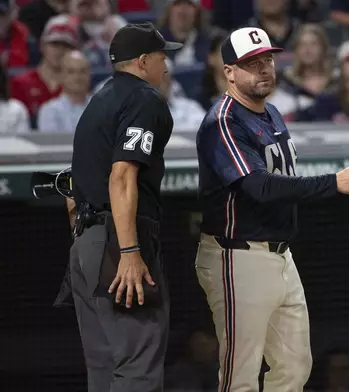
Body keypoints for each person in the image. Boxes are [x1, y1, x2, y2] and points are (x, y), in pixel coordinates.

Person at [194, 26, 349, 392]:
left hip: (280, 255)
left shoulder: (272, 112)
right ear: (228, 71)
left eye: (268, 60)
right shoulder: (223, 120)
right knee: (240, 375)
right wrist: (333, 183)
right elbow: (258, 187)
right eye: (251, 63)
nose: (264, 69)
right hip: (237, 256)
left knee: (295, 367)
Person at [66, 22, 182, 392]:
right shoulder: (143, 99)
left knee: (105, 366)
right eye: (163, 57)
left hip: (87, 243)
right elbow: (122, 176)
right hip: (120, 242)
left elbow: (70, 184)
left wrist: (87, 245)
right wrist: (129, 250)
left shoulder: (98, 101)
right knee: (138, 362)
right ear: (144, 60)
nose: (166, 67)